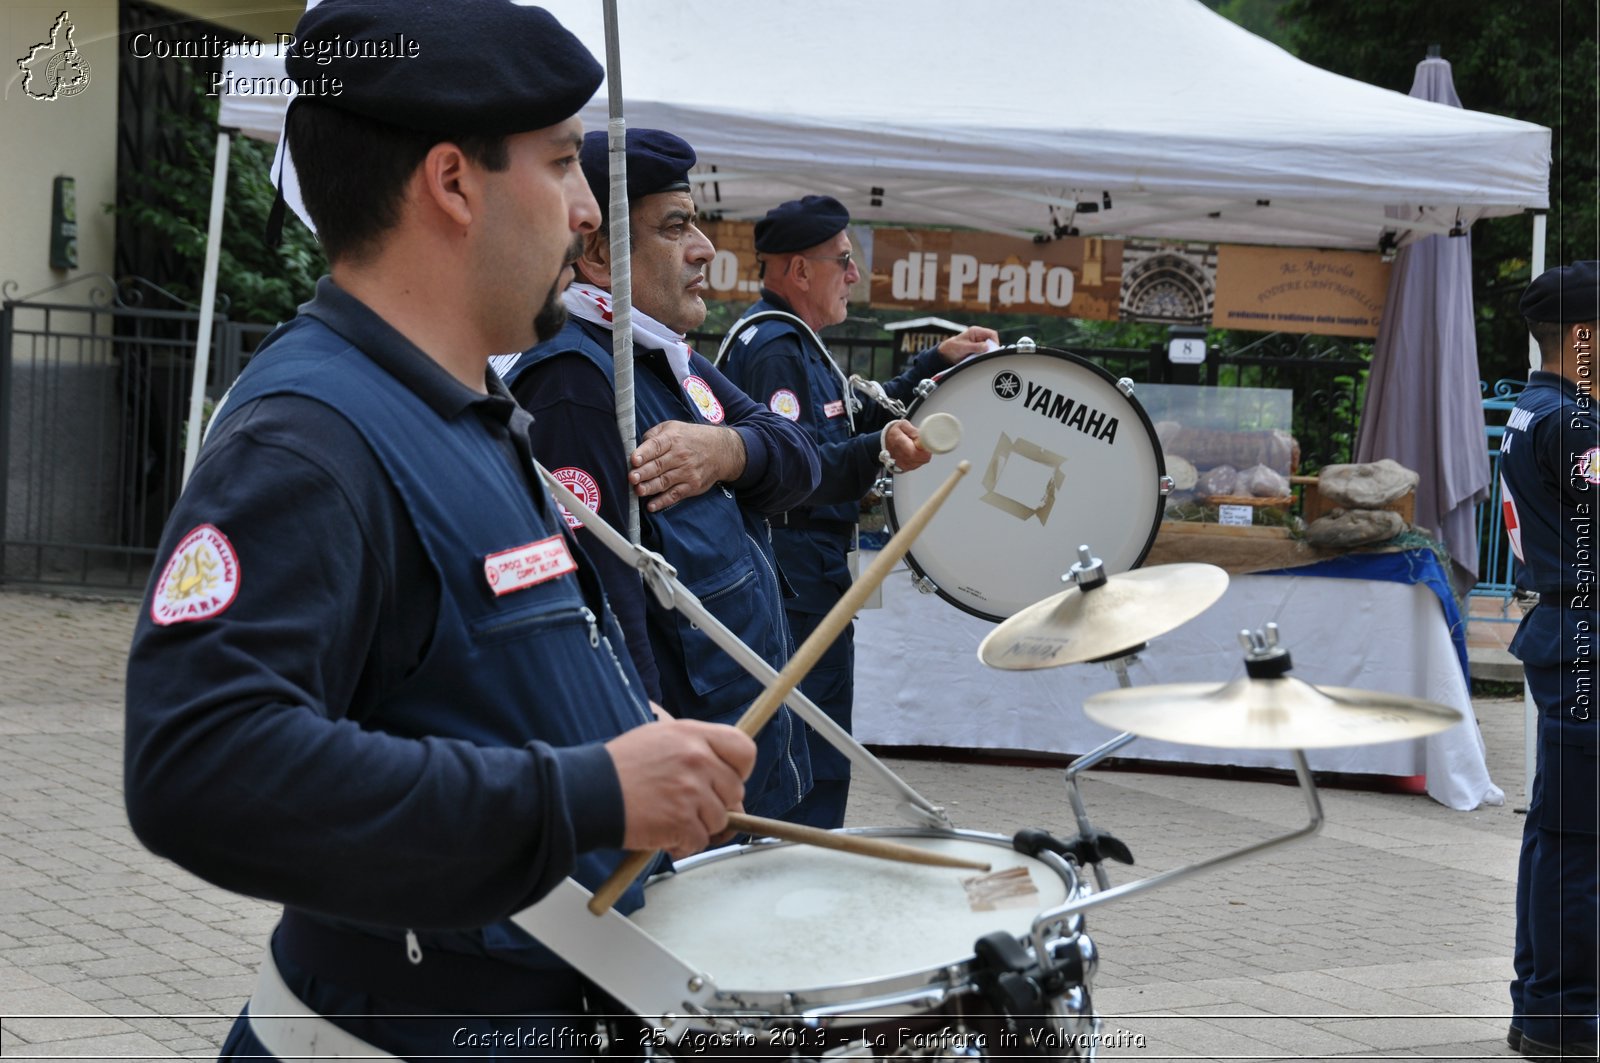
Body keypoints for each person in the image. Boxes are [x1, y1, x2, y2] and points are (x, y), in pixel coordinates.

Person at [122, 4, 758, 1059]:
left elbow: (453, 668)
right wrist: (586, 789)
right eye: (562, 167)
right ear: (454, 182)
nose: (587, 213)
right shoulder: (311, 440)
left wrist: (612, 728)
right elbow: (199, 767)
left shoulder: (453, 405)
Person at [496, 130, 820, 821]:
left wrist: (727, 450)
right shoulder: (576, 382)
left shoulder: (654, 353)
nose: (704, 248)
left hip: (736, 765)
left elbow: (799, 455)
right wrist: (651, 781)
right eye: (676, 227)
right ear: (597, 253)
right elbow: (600, 614)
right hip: (685, 793)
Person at [716, 195, 998, 828]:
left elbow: (856, 414)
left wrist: (933, 364)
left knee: (817, 739)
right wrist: (877, 449)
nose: (854, 275)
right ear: (799, 270)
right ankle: (793, 874)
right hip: (791, 577)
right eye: (843, 260)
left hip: (807, 575)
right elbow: (790, 468)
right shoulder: (776, 352)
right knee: (805, 747)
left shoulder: (797, 344)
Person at [1501, 259, 1599, 1060]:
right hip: (1585, 640)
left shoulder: (1540, 411)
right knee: (1578, 843)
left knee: (1558, 833)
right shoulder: (1574, 425)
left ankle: (1542, 1001)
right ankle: (1559, 1013)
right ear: (1583, 337)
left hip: (1566, 637)